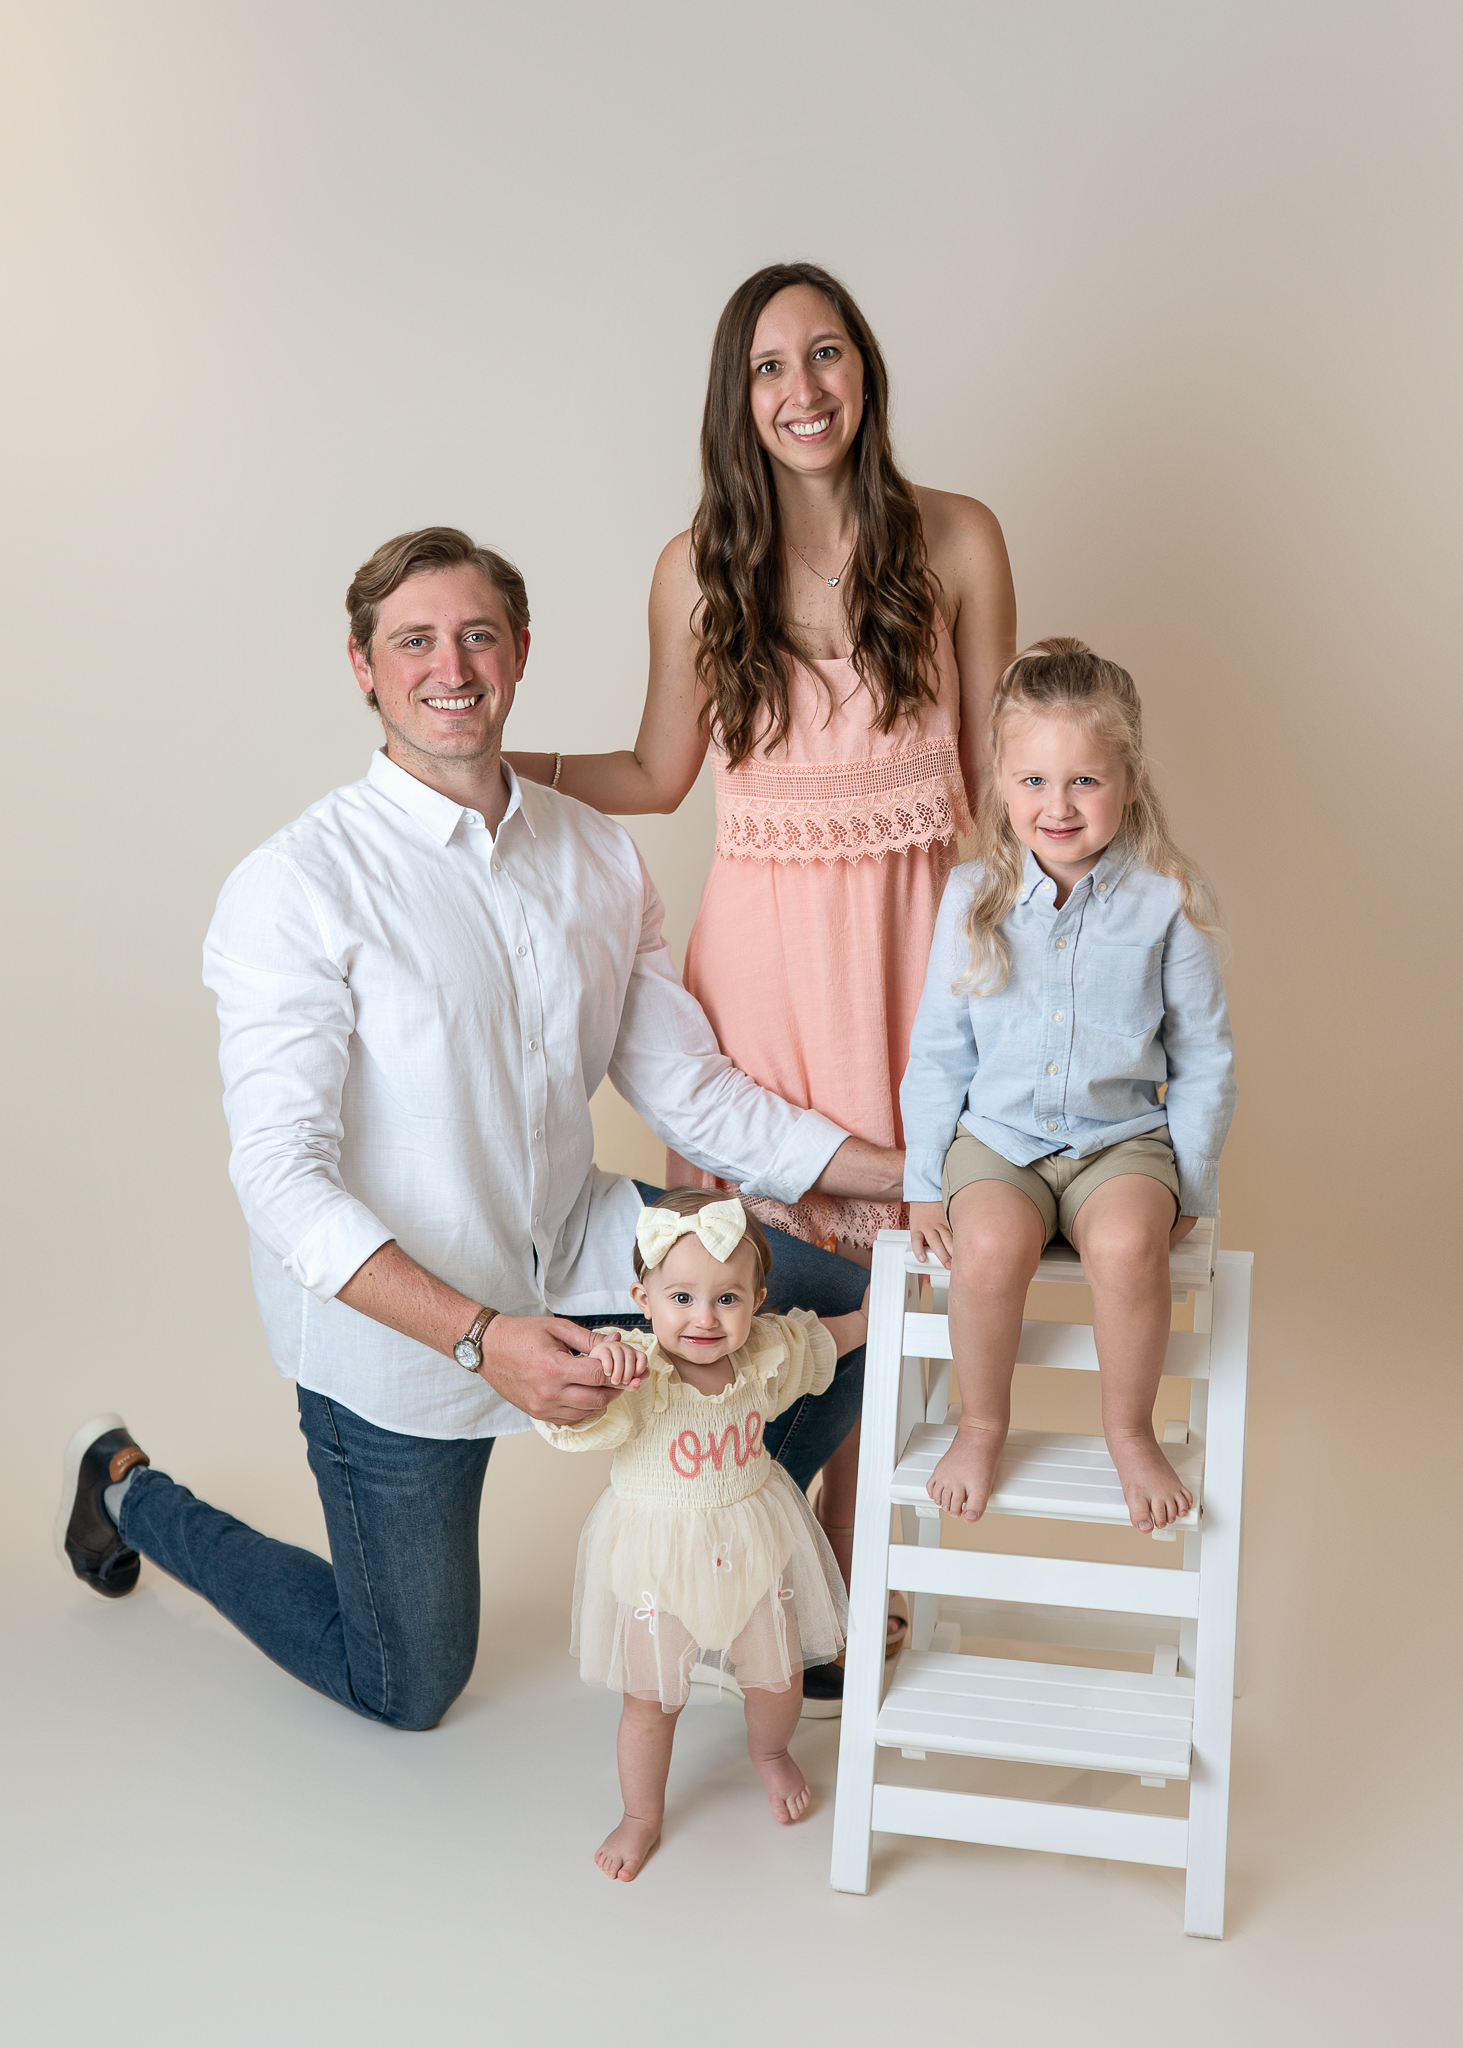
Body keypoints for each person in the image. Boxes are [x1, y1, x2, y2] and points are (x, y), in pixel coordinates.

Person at [54, 526, 901, 1733]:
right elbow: (281, 1182)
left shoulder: (596, 854)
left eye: (476, 635)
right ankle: (128, 1492)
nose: (449, 666)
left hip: (586, 1247)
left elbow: (692, 1090)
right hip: (404, 1335)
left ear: (518, 655)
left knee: (855, 1315)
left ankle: (694, 1552)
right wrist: (478, 1337)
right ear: (362, 665)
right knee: (406, 1683)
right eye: (413, 641)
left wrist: (916, 1171)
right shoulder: (295, 885)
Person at [509, 260, 1017, 1603]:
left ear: (866, 372)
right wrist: (508, 764)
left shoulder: (957, 537)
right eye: (769, 367)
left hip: (915, 952)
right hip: (763, 971)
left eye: (828, 354)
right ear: (736, 397)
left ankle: (856, 1583)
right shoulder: (693, 567)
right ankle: (744, 1583)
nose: (804, 389)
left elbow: (1004, 788)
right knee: (759, 1291)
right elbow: (657, 773)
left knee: (904, 1272)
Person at [901, 638, 1237, 1532]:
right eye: (1033, 782)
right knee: (986, 1253)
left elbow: (1203, 1053)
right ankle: (981, 1423)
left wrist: (1190, 1180)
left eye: (1084, 781)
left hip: (1116, 1141)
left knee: (1129, 1249)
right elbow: (938, 1050)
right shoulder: (971, 896)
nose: (1057, 806)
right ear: (1001, 784)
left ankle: (1129, 1431)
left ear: (1127, 781)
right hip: (998, 1141)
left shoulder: (1167, 897)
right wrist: (924, 1180)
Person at [535, 1190, 868, 1879]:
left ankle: (771, 1754)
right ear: (644, 1299)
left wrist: (874, 1315)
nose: (704, 1318)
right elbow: (574, 1419)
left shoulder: (766, 1355)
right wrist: (595, 1377)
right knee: (652, 1699)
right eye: (681, 1298)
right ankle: (639, 1815)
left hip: (752, 1539)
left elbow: (824, 1341)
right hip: (660, 1558)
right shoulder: (635, 1374)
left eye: (727, 1299)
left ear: (757, 1300)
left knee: (776, 1683)